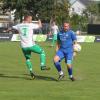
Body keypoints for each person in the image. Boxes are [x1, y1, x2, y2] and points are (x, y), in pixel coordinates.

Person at [7, 15, 50, 79]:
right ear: (28, 19)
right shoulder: (31, 25)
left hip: (24, 47)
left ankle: (31, 72)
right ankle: (42, 65)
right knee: (42, 52)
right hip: (31, 45)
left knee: (27, 59)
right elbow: (40, 26)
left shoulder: (19, 25)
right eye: (31, 19)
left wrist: (7, 30)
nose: (31, 20)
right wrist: (39, 21)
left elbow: (11, 28)